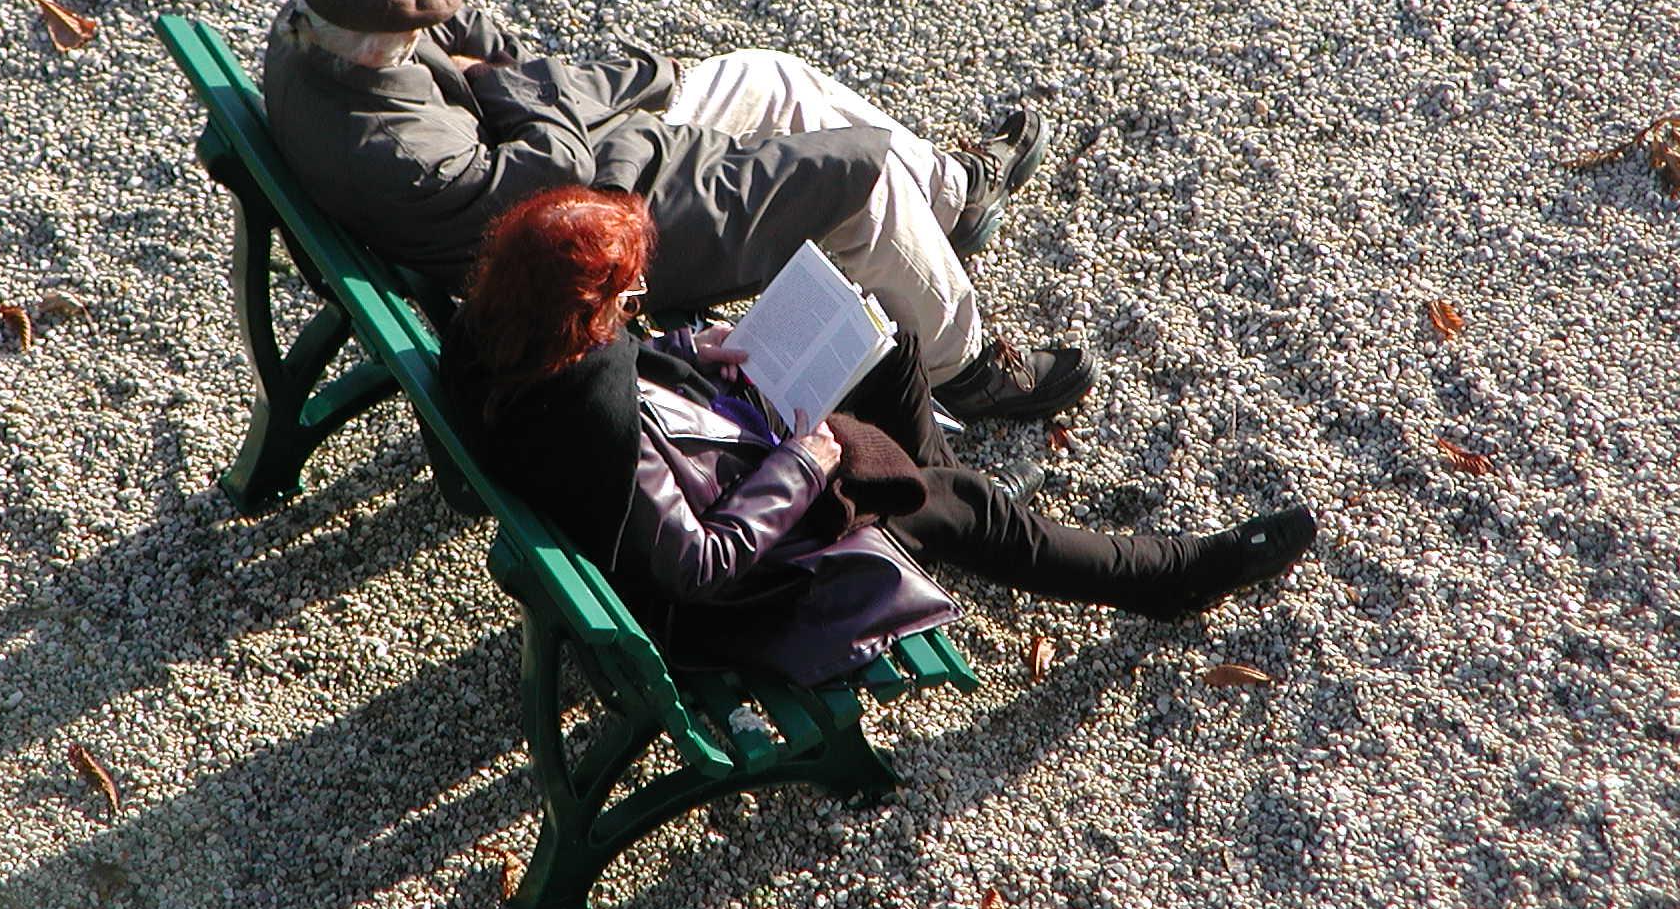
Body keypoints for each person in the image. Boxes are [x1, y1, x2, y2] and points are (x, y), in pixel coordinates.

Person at [439, 186, 1316, 687]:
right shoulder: (595, 426)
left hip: (711, 456)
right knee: (964, 506)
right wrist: (802, 463)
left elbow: (613, 367)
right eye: (626, 302)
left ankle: (949, 507)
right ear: (585, 317)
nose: (637, 311)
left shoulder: (499, 339)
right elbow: (700, 566)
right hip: (757, 583)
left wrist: (682, 348)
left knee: (889, 356)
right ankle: (1173, 578)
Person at [265, 0, 1094, 421]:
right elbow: (553, 168)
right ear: (377, 49)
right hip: (591, 242)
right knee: (860, 182)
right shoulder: (397, 155)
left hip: (593, 164)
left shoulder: (323, 24)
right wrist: (515, 85)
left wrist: (505, 74)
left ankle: (951, 196)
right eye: (414, 36)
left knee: (770, 78)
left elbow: (483, 43)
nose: (430, 36)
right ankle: (963, 368)